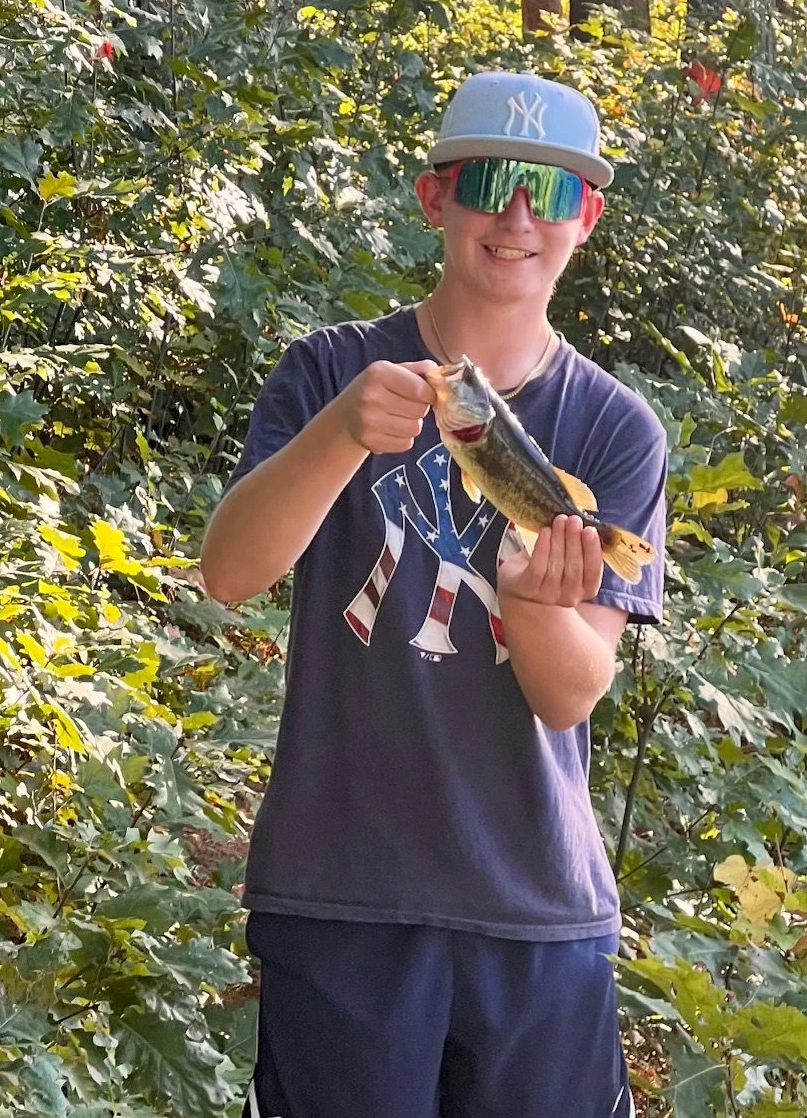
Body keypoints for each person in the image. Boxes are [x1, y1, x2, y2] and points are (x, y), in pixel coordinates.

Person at [201, 70, 668, 1118]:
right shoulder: (329, 371)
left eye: (550, 193)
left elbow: (571, 695)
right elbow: (228, 574)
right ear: (434, 198)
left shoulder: (616, 427)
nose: (517, 218)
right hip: (340, 893)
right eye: (490, 185)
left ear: (586, 218)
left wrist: (537, 604)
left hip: (537, 906)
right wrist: (339, 434)